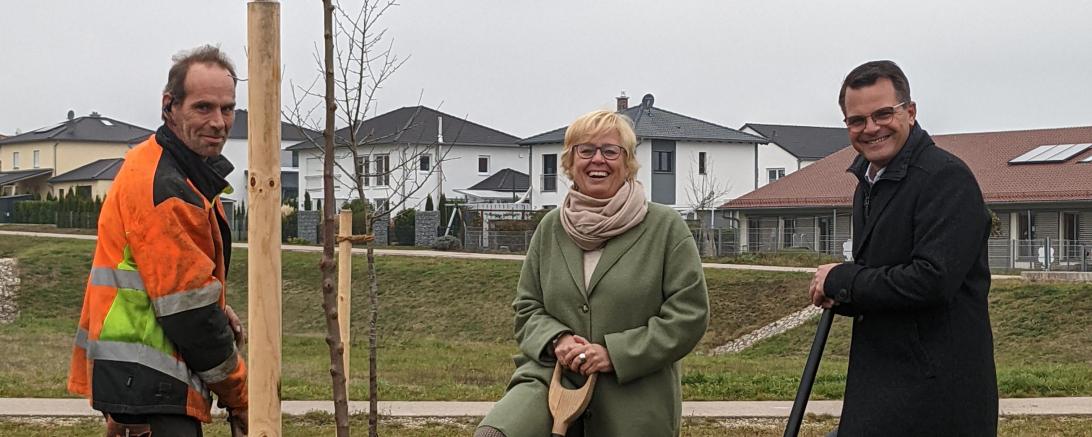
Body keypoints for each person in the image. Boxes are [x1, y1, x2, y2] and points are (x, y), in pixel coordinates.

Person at [476, 110, 709, 437]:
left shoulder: (665, 228)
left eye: (610, 151)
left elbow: (689, 316)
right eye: (585, 151)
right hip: (553, 380)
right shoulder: (550, 228)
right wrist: (558, 339)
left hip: (632, 391)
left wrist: (612, 354)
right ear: (570, 162)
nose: (597, 160)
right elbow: (527, 309)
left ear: (627, 163)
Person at [809, 60, 998, 436]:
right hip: (887, 390)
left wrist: (845, 279)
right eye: (857, 120)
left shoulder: (944, 178)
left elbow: (932, 281)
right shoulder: (870, 181)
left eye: (883, 114)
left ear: (910, 112)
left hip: (934, 399)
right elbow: (888, 276)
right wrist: (840, 293)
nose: (871, 128)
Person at [67, 45, 248, 436]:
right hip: (150, 378)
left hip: (139, 379)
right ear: (170, 106)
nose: (219, 122)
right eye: (203, 107)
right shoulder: (166, 189)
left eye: (227, 108)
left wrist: (218, 305)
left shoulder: (165, 167)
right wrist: (240, 393)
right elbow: (190, 313)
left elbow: (167, 278)